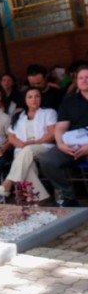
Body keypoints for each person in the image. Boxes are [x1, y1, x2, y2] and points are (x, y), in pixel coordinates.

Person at [0, 87, 56, 203]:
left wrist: (35, 142)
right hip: (23, 149)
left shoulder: (49, 112)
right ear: (24, 99)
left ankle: (6, 185)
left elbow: (52, 134)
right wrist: (19, 143)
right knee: (27, 166)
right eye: (30, 97)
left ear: (41, 98)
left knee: (26, 151)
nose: (34, 99)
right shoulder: (19, 116)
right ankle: (40, 198)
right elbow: (11, 136)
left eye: (37, 96)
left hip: (43, 146)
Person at [38, 65, 88, 206]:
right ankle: (69, 197)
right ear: (76, 81)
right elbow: (60, 127)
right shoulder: (69, 101)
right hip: (73, 144)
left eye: (87, 77)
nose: (84, 80)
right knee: (47, 160)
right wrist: (60, 144)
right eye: (81, 78)